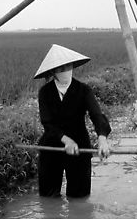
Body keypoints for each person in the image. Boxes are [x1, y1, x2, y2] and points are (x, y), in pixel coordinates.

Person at [33, 44, 111, 198]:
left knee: (79, 198)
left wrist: (102, 139)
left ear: (73, 66)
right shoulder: (45, 92)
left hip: (79, 146)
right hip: (52, 146)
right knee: (48, 197)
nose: (65, 71)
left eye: (68, 66)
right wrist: (66, 140)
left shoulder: (83, 90)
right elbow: (47, 123)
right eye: (60, 69)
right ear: (53, 72)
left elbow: (97, 115)